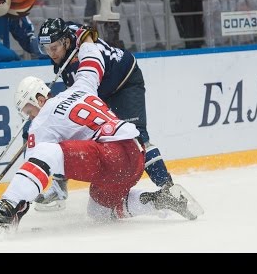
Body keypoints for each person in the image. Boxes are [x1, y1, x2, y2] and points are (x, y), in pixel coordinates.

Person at [0, 28, 199, 237]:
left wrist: (17, 197)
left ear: (39, 98)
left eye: (28, 108)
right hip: (134, 156)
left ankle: (7, 210)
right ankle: (160, 200)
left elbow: (34, 162)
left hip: (111, 156)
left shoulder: (42, 121)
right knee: (99, 211)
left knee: (46, 152)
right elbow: (92, 56)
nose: (29, 115)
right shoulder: (83, 85)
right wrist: (84, 37)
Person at [31, 18, 201, 213]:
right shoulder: (66, 40)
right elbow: (78, 27)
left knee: (137, 138)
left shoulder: (80, 63)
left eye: (54, 48)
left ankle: (168, 188)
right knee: (71, 128)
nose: (51, 54)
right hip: (100, 89)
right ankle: (59, 188)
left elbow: (87, 43)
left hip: (124, 82)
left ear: (66, 42)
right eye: (47, 49)